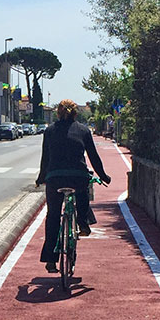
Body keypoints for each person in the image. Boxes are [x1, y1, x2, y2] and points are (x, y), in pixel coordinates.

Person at [35, 99, 111, 273]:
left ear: (58, 113)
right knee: (83, 193)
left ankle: (51, 261)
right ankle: (83, 223)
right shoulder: (83, 130)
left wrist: (41, 178)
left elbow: (45, 159)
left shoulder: (49, 131)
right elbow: (93, 156)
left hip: (54, 178)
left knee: (53, 216)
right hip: (77, 177)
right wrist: (103, 176)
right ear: (76, 114)